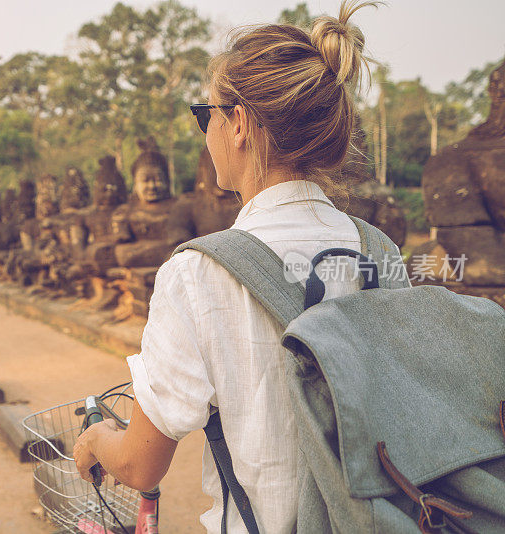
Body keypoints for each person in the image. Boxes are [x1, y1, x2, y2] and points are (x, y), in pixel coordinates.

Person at [73, 2, 394, 533]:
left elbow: (139, 463)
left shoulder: (198, 273)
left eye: (207, 116)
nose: (207, 132)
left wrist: (95, 441)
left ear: (238, 124)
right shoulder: (380, 253)